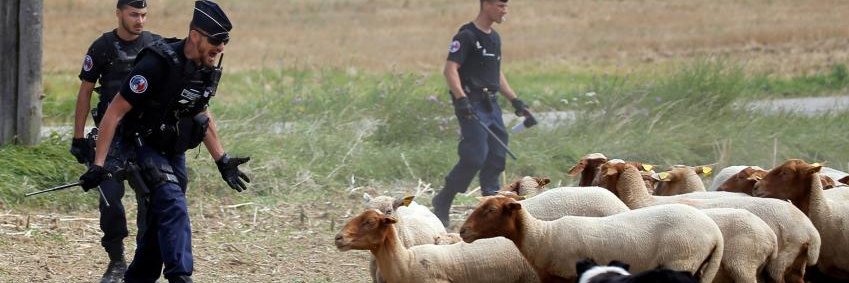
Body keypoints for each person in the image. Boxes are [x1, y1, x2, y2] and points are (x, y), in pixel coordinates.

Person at [78, 1, 250, 282]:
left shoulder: (203, 67)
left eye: (224, 43)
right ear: (195, 36)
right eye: (216, 41)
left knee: (159, 220)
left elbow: (200, 113)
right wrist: (99, 164)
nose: (220, 49)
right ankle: (180, 276)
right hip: (141, 145)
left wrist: (222, 159)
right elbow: (114, 113)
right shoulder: (156, 64)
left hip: (173, 149)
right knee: (173, 205)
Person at [70, 1, 161, 282]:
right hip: (110, 138)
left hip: (145, 137)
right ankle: (116, 261)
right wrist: (78, 137)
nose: (140, 20)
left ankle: (142, 262)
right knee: (109, 198)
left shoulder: (156, 46)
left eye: (143, 15)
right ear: (119, 13)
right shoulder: (103, 47)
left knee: (150, 201)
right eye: (134, 14)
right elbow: (85, 92)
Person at [431, 0, 530, 227]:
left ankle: (490, 207)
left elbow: (496, 73)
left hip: (491, 104)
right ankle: (444, 199)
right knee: (475, 156)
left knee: (497, 155)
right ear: (486, 5)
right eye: (500, 5)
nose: (505, 10)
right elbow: (450, 69)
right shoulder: (466, 36)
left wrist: (514, 100)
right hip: (471, 103)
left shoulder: (494, 38)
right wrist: (461, 99)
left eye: (506, 6)